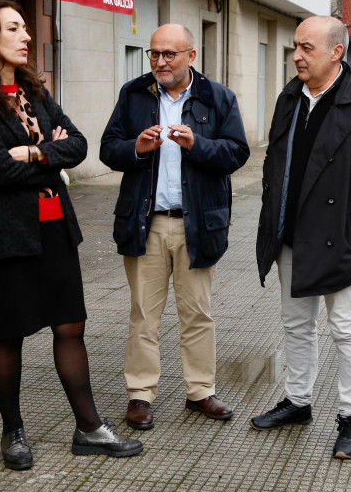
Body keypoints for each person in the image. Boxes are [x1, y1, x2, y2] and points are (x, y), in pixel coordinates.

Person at [0, 0, 142, 471]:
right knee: (8, 333)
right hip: (4, 236)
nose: (26, 36)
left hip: (54, 229)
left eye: (25, 28)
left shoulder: (33, 90)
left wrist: (32, 155)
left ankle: (89, 427)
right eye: (14, 28)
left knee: (70, 325)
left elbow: (76, 145)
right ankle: (13, 431)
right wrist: (43, 156)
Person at [252, 16, 351, 459]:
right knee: (297, 326)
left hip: (339, 242)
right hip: (290, 238)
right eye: (295, 47)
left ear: (336, 52)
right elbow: (275, 164)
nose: (296, 55)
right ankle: (298, 403)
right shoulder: (290, 97)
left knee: (348, 331)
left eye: (307, 48)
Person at [100, 24, 249, 430]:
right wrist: (136, 147)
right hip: (145, 224)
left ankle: (200, 391)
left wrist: (196, 145)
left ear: (191, 55)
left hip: (197, 224)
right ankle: (140, 394)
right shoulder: (134, 94)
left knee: (197, 313)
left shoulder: (217, 97)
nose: (160, 62)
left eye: (169, 54)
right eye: (154, 54)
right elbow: (108, 147)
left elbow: (237, 153)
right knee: (143, 315)